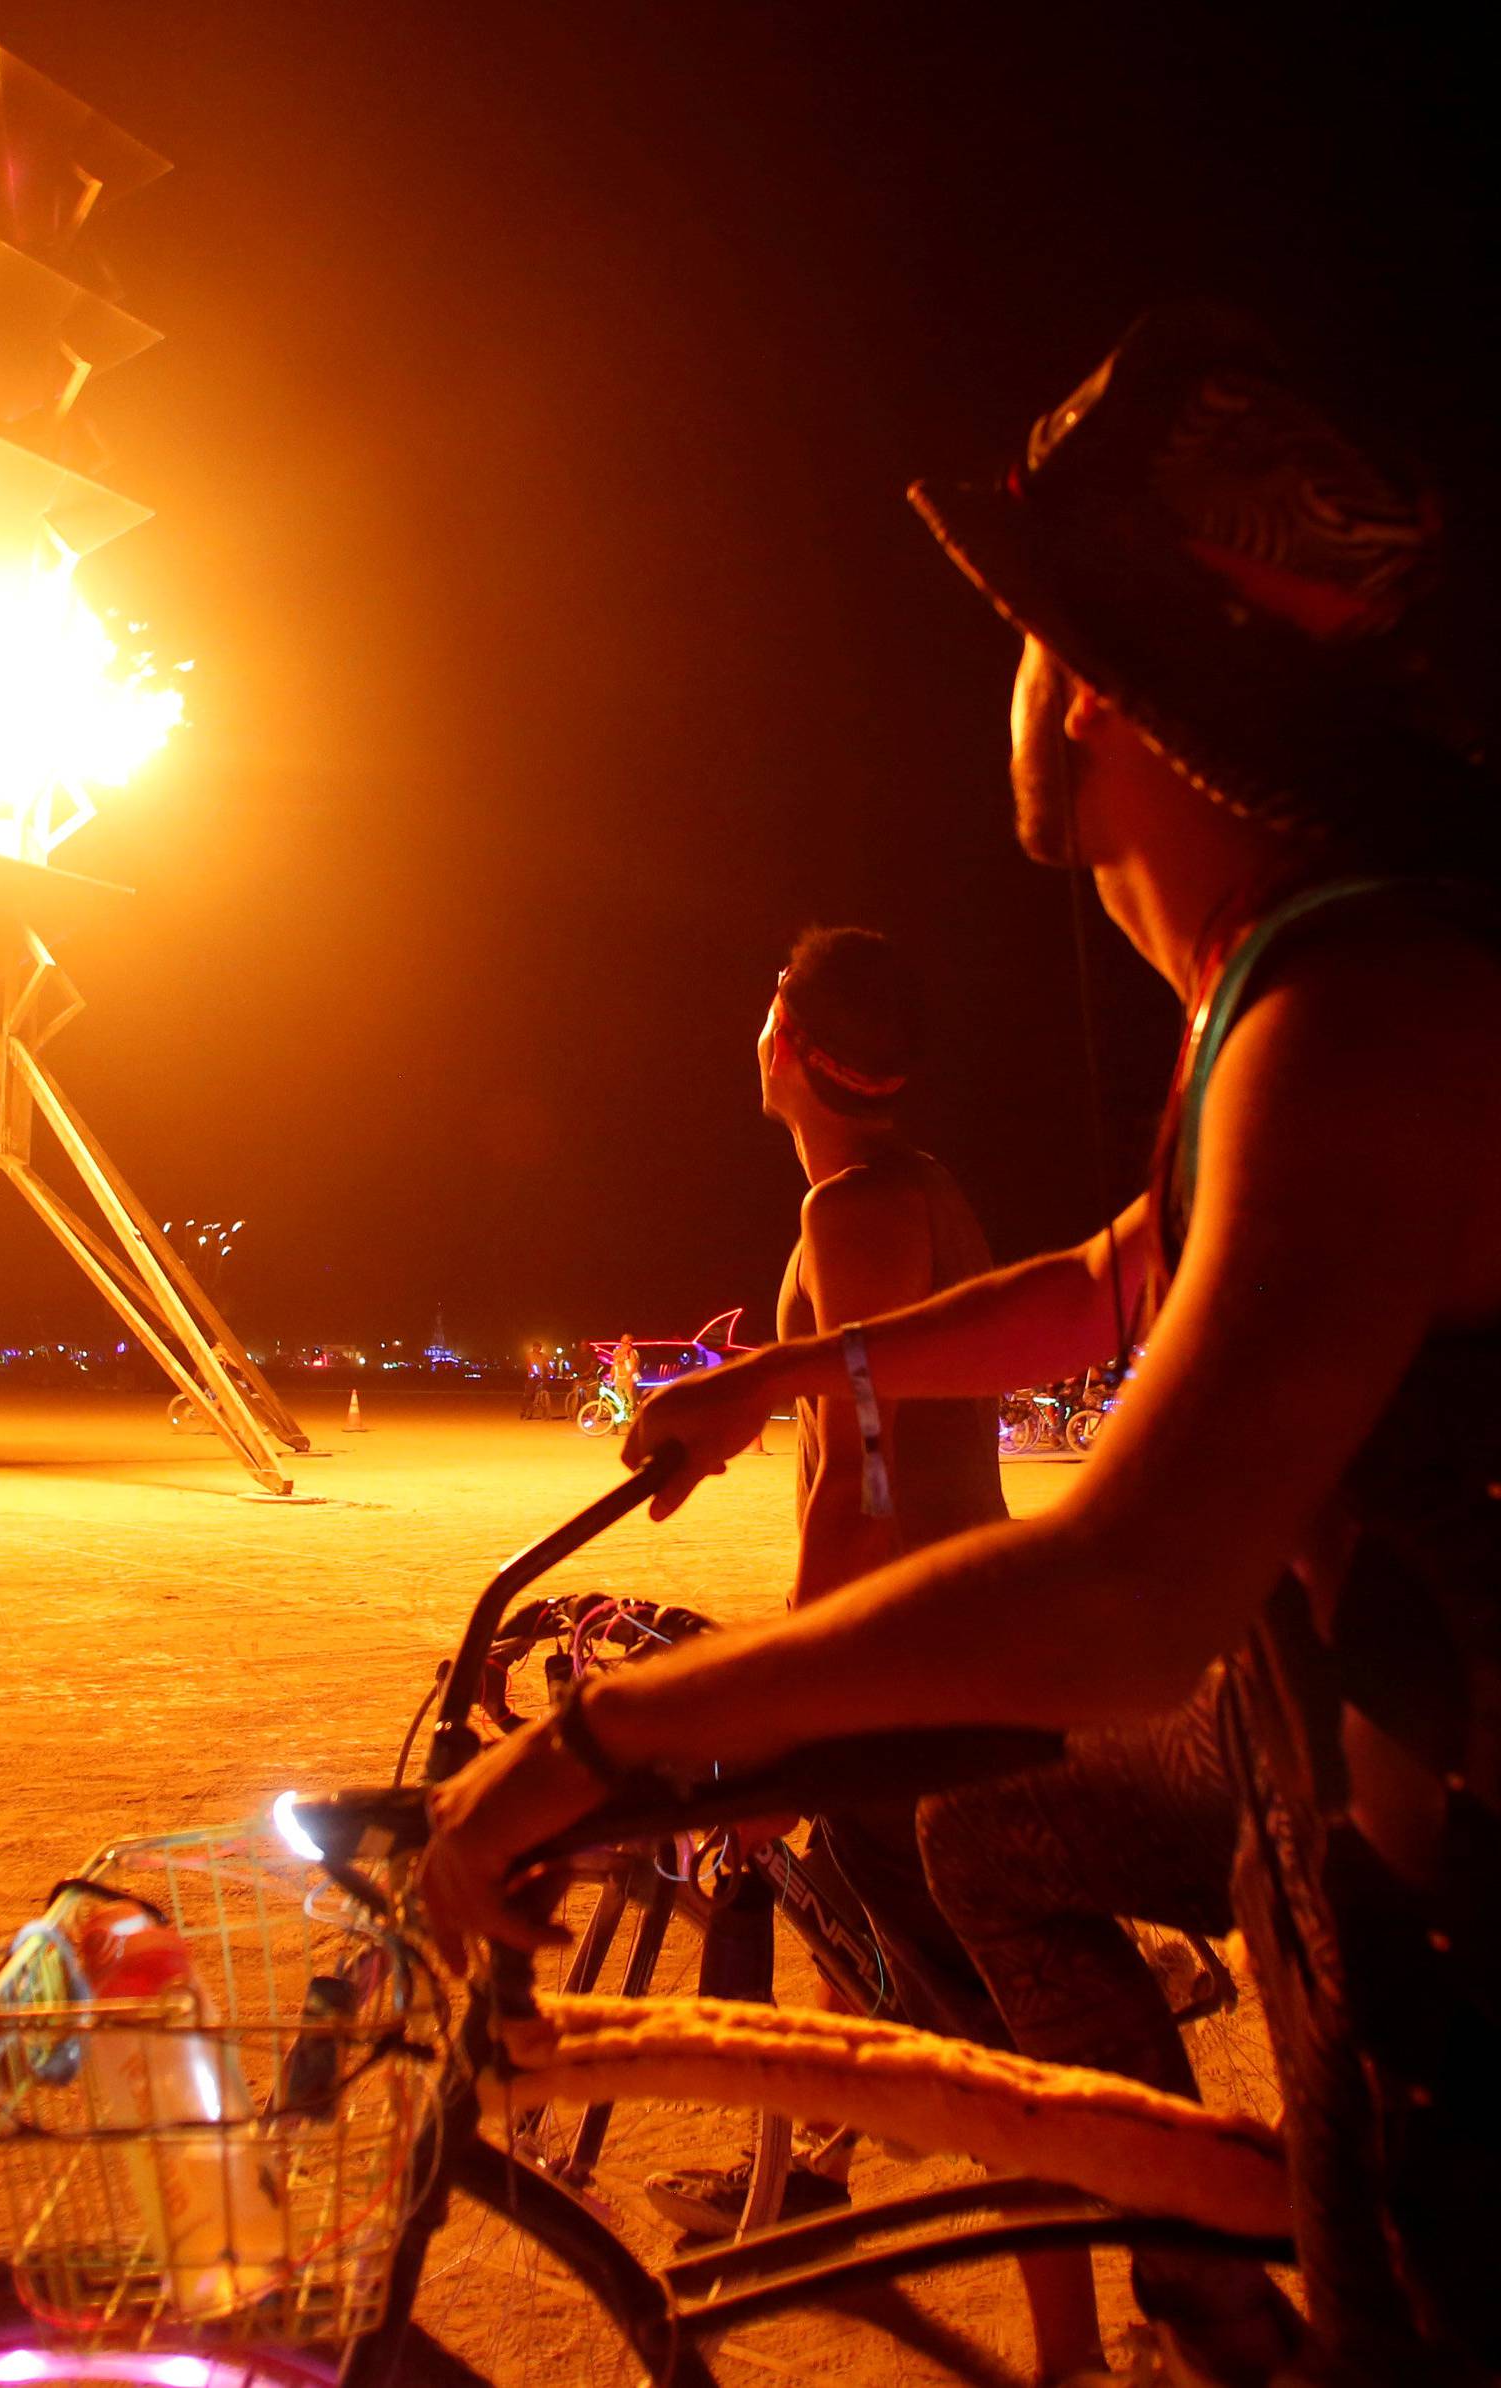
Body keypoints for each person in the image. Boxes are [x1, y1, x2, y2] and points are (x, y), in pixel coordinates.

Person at [420, 307, 1501, 2386]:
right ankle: (1204, 2261)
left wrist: (616, 1747)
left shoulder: (1373, 1008)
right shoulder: (1292, 986)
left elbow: (1125, 1598)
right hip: (1357, 1855)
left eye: (1030, 627)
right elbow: (1119, 1277)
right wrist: (790, 1374)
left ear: (1100, 686)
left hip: (1467, 1943)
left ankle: (1219, 2283)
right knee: (1006, 1832)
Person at [647, 925, 1017, 2239]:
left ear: (789, 1048)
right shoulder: (899, 1189)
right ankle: (816, 2162)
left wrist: (789, 1703)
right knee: (866, 1924)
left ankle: (1087, 2336)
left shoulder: (855, 1210)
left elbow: (854, 1482)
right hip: (943, 1621)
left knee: (980, 2023)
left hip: (909, 1644)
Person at [607, 1332, 642, 1420]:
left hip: (628, 1380)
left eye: (625, 1339)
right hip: (619, 1379)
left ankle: (632, 1421)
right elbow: (614, 1366)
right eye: (622, 1338)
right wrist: (611, 1378)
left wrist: (629, 1377)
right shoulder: (617, 1352)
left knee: (631, 1402)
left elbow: (634, 1365)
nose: (622, 1340)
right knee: (618, 1401)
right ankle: (617, 1423)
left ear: (630, 1341)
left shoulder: (632, 1352)